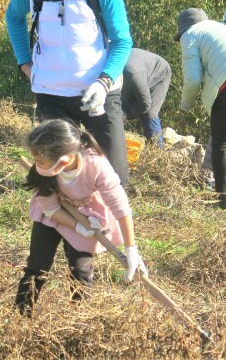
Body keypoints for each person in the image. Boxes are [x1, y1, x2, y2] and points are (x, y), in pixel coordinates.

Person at [6, 0, 132, 185]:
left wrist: (104, 81)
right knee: (57, 177)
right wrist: (24, 62)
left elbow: (122, 41)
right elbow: (14, 17)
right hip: (51, 93)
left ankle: (107, 212)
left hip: (98, 92)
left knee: (114, 176)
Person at [15, 119, 147, 315]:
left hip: (87, 214)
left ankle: (80, 319)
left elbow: (121, 208)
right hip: (51, 215)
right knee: (37, 266)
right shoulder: (42, 170)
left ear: (63, 161)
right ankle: (22, 315)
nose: (37, 164)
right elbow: (50, 208)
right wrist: (77, 227)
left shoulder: (97, 165)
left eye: (40, 160)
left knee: (81, 271)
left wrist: (131, 249)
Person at [175, 8, 226, 209]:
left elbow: (193, 79)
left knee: (220, 144)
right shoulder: (225, 29)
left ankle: (225, 199)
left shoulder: (190, 34)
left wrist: (186, 104)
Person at [121, 48, 171, 147]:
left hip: (159, 73)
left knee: (150, 113)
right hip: (137, 68)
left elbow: (145, 103)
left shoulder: (134, 75)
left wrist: (127, 116)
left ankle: (156, 151)